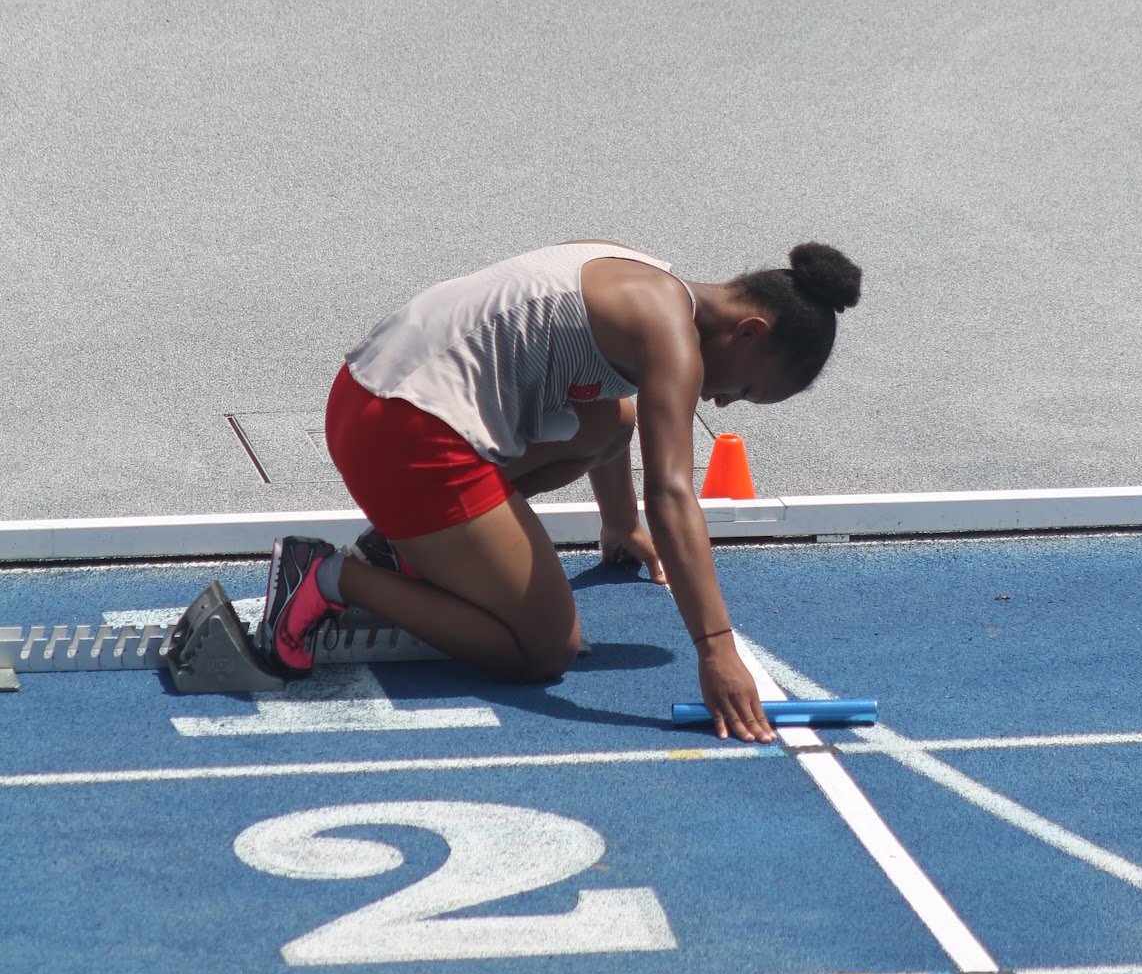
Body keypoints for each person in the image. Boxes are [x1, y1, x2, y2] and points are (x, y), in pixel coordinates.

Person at [258, 239, 861, 742]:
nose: (724, 402)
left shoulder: (647, 278)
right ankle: (325, 576)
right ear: (750, 331)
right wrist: (716, 651)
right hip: (402, 431)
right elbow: (673, 494)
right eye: (748, 389)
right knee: (545, 647)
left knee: (611, 420)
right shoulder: (671, 337)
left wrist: (621, 521)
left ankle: (407, 547)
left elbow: (609, 407)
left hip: (372, 394)